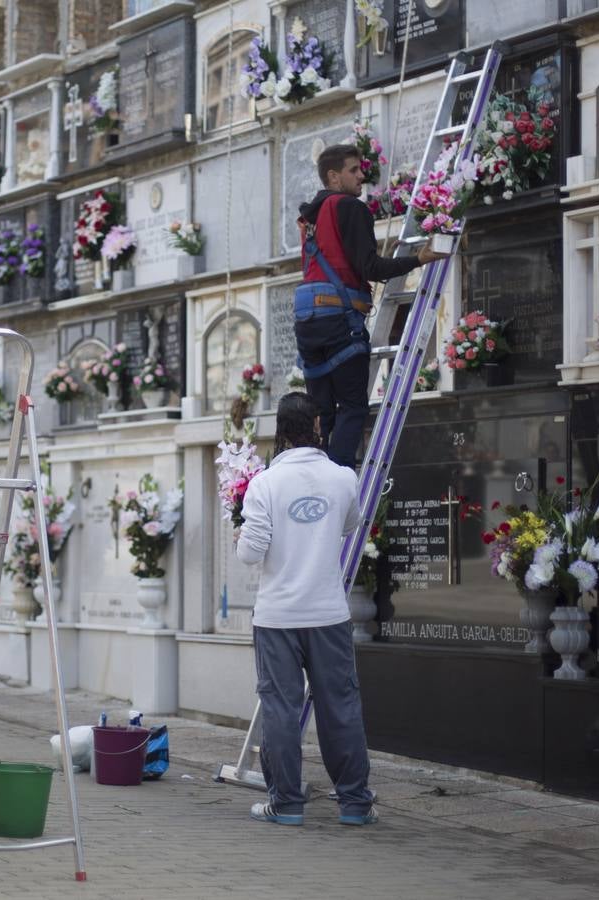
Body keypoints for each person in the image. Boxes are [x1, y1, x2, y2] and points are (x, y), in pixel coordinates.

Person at [235, 392, 377, 827]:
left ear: (280, 430)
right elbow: (350, 525)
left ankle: (286, 804)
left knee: (280, 707)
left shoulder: (264, 484)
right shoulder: (343, 478)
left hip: (277, 616)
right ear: (317, 426)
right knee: (340, 704)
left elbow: (250, 553)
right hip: (328, 613)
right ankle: (354, 804)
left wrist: (244, 530)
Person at [296, 144, 448, 468]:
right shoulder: (349, 207)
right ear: (333, 177)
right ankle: (337, 479)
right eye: (353, 170)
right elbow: (371, 268)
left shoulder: (310, 217)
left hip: (307, 321)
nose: (361, 176)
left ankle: (312, 476)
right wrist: (418, 259)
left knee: (322, 412)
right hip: (338, 318)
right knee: (352, 407)